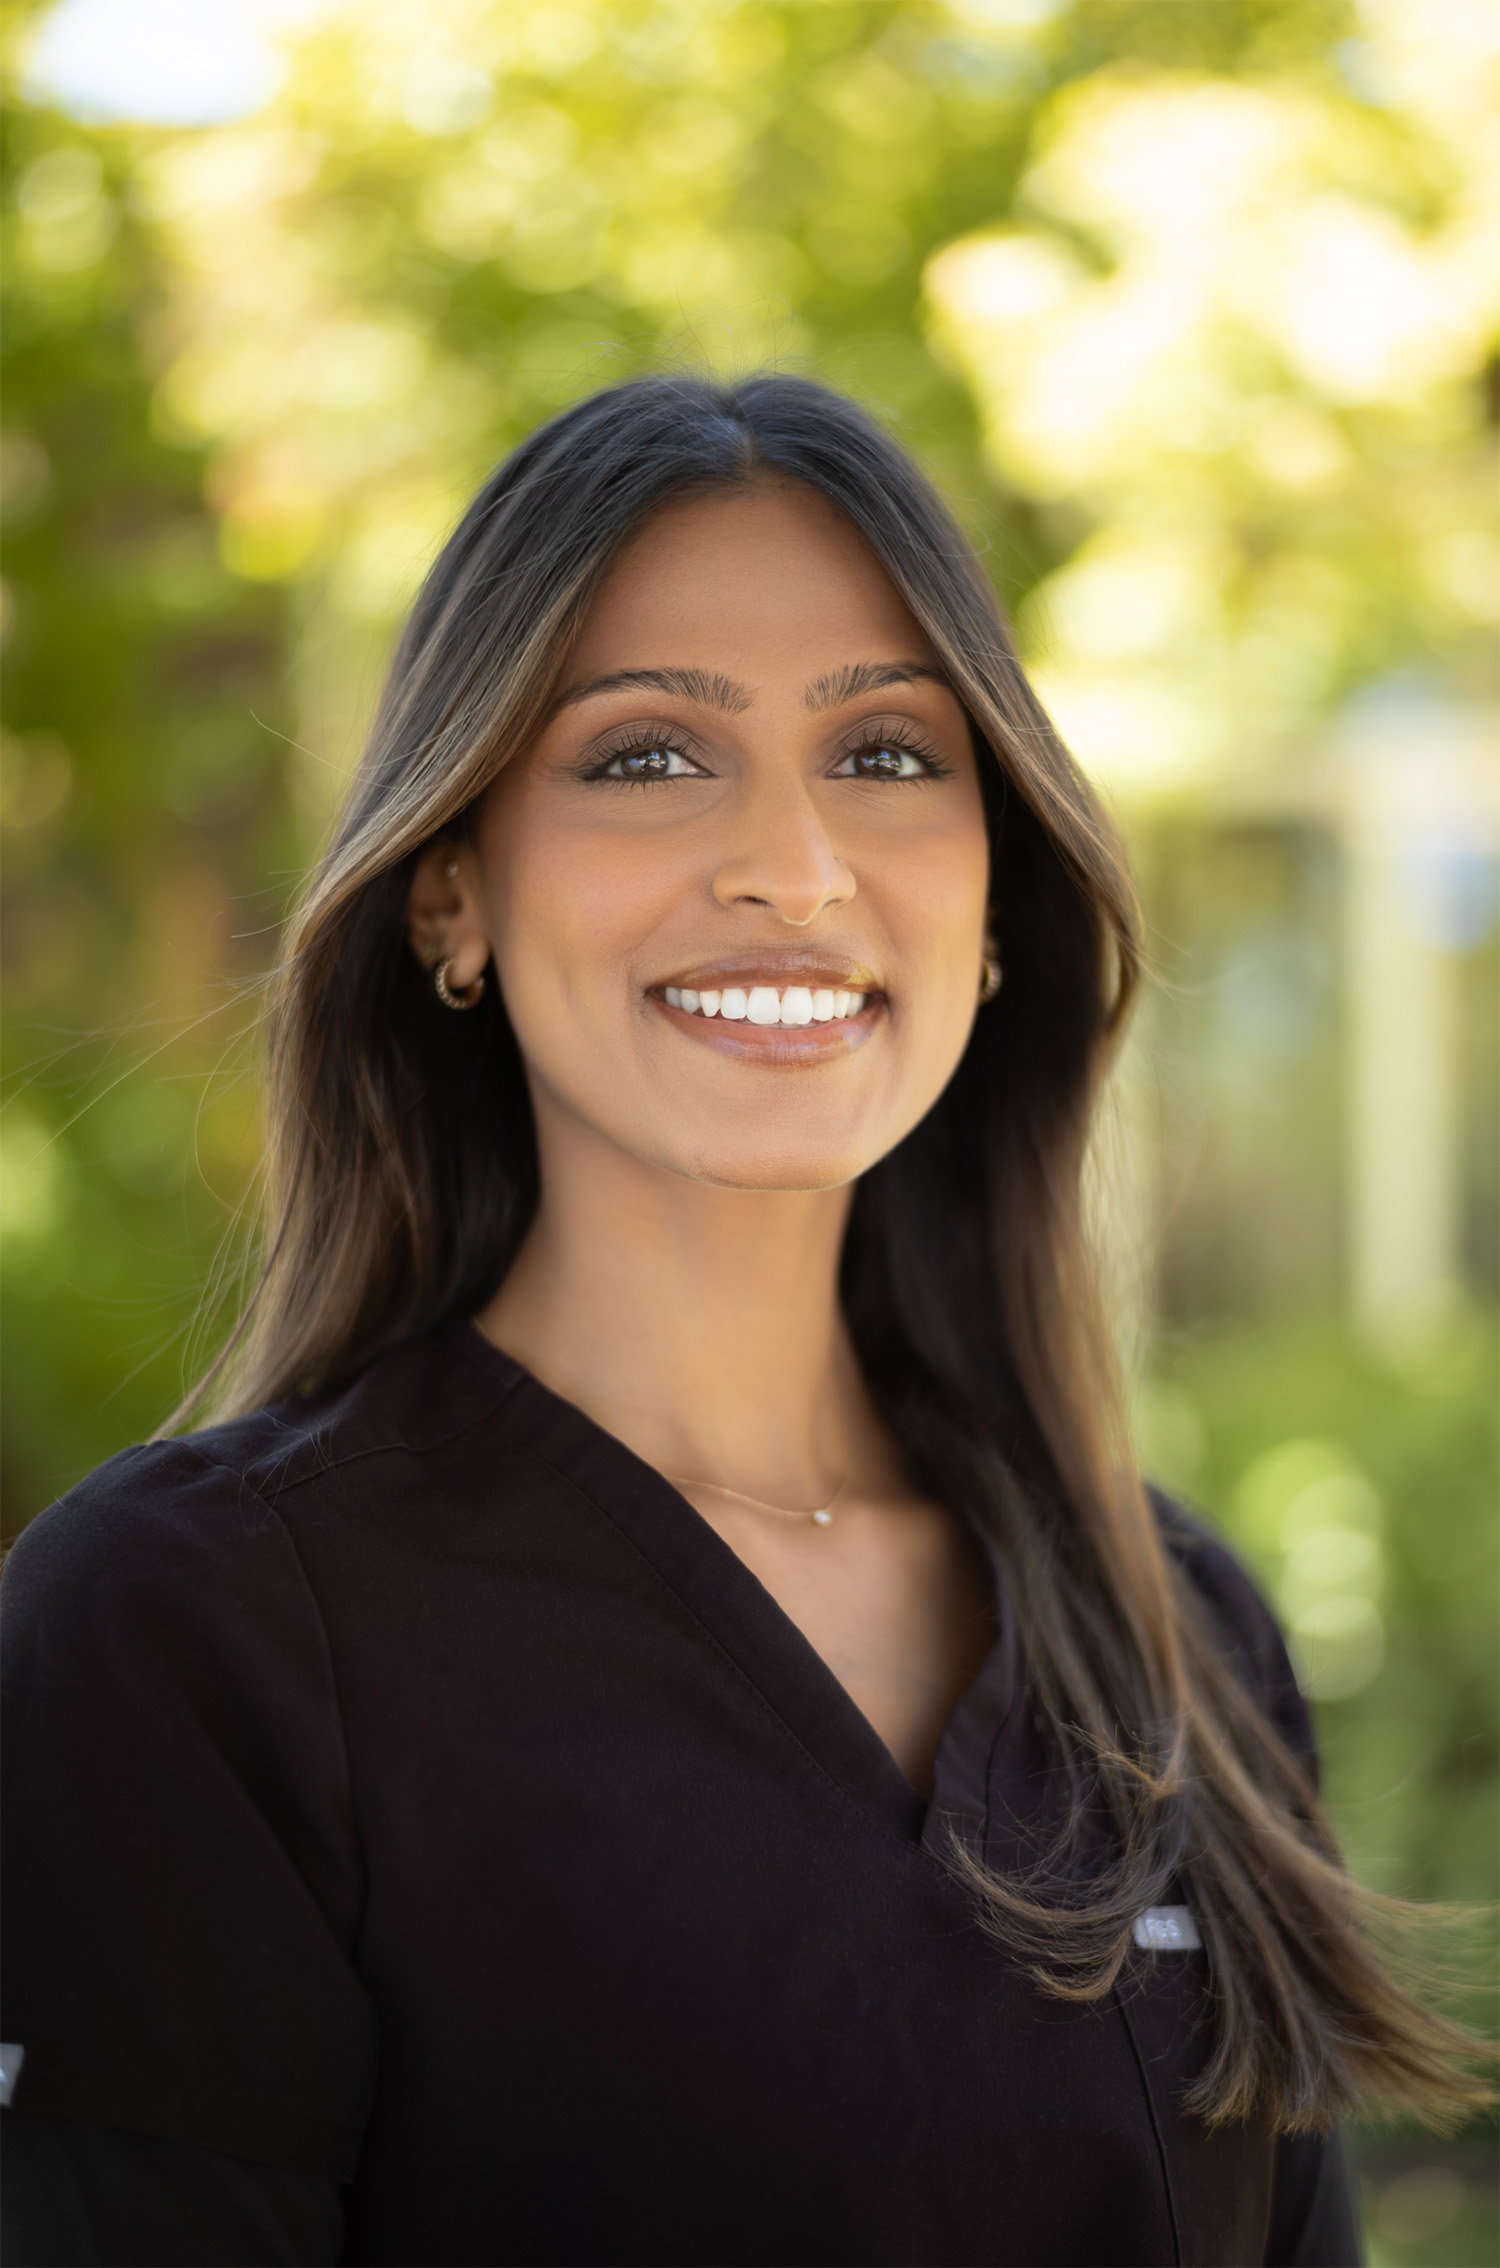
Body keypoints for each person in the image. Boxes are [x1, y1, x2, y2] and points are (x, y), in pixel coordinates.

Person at [1, 376, 1480, 2267]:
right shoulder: (190, 1635)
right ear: (451, 888)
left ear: (998, 902)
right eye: (646, 758)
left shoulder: (1177, 1637)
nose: (796, 861)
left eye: (885, 754)